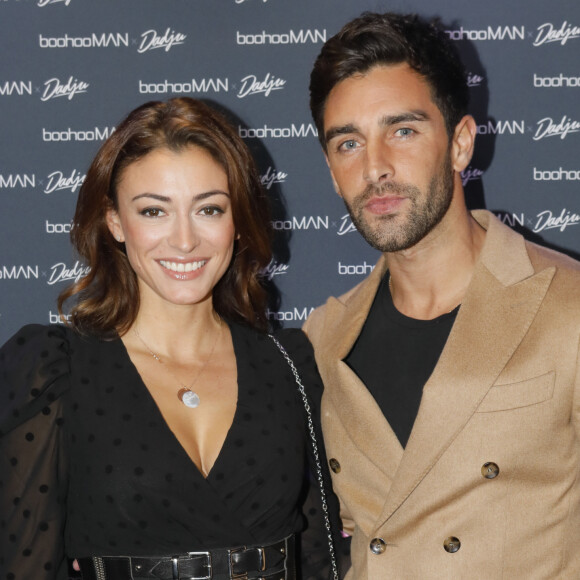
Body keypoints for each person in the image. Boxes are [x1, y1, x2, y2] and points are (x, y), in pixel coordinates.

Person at [0, 97, 339, 580]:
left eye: (209, 209)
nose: (184, 241)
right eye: (154, 211)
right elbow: (23, 566)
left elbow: (320, 556)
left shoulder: (291, 365)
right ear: (115, 221)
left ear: (237, 219)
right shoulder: (55, 371)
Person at [304, 11, 580, 579]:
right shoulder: (321, 339)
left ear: (460, 143)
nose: (375, 167)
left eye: (402, 130)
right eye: (348, 143)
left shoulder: (567, 305)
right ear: (331, 172)